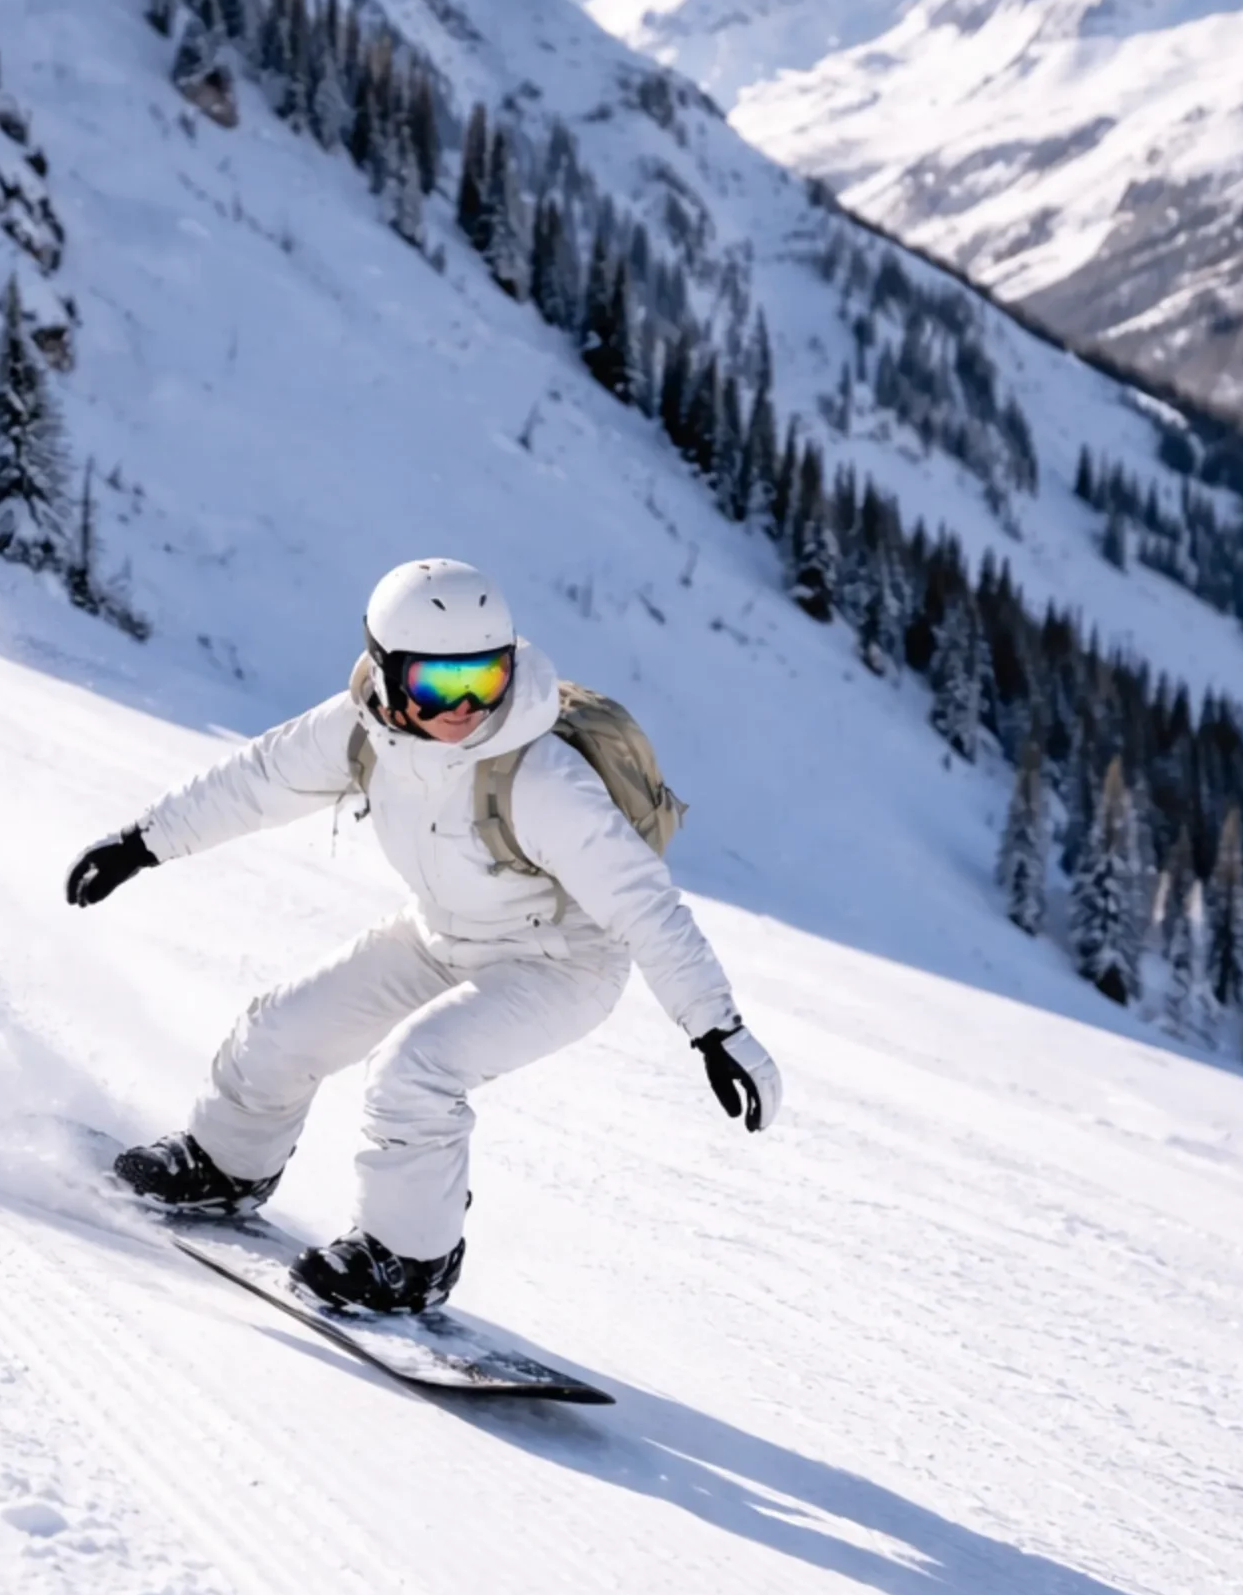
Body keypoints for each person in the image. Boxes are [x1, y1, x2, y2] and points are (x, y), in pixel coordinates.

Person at [67, 558, 783, 1315]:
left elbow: (644, 904)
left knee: (413, 1073)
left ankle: (409, 1261)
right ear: (385, 671)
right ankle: (225, 1168)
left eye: (486, 678)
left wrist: (716, 1028)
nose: (467, 707)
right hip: (441, 934)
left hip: (557, 964)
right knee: (281, 1029)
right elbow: (257, 780)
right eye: (439, 684)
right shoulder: (361, 733)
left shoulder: (541, 776)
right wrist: (143, 842)